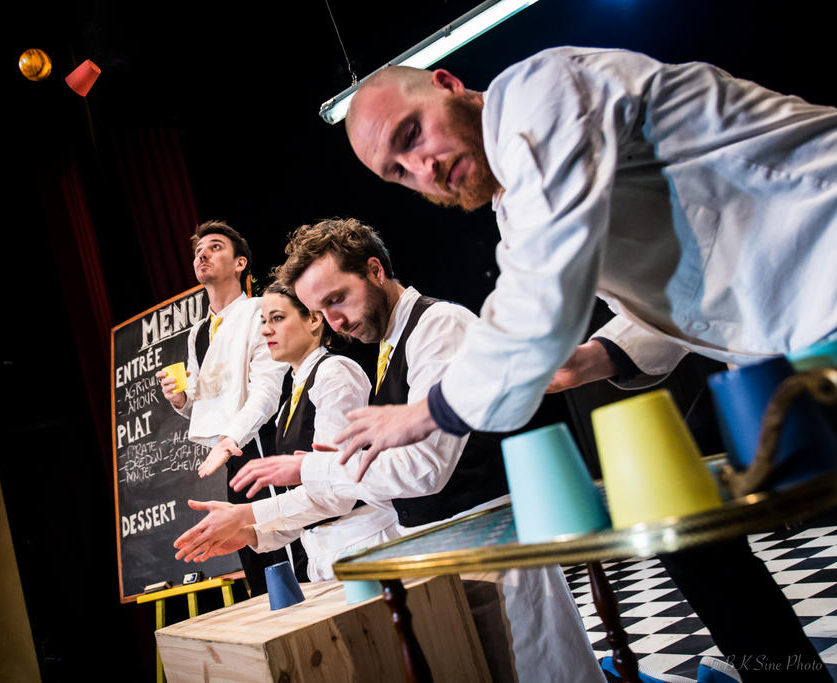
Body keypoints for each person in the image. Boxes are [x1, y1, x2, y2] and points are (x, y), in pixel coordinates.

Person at [338, 48, 835, 680]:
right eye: (399, 173)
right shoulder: (516, 202)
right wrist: (599, 356)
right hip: (793, 341)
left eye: (412, 135)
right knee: (675, 514)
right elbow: (690, 275)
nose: (422, 168)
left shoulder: (540, 91)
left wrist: (426, 412)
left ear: (448, 83)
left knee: (684, 516)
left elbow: (543, 284)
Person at [184, 218, 603, 683]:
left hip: (490, 549)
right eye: (322, 308)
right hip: (441, 553)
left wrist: (311, 472)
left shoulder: (437, 326)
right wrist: (265, 518)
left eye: (337, 299)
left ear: (375, 270)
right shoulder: (389, 347)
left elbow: (424, 469)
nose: (336, 322)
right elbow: (381, 481)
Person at [174, 281, 401, 581]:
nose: (266, 331)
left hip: (368, 551)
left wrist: (244, 514)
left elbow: (336, 492)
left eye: (277, 318)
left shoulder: (335, 374)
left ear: (314, 319)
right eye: (263, 322)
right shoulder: (289, 403)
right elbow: (310, 506)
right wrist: (250, 534)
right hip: (328, 561)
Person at [156, 220, 298, 596]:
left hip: (268, 447)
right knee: (256, 565)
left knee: (287, 556)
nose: (203, 253)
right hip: (231, 459)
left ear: (240, 263)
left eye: (215, 246)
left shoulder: (259, 311)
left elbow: (267, 391)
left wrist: (230, 438)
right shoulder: (197, 334)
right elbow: (208, 403)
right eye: (198, 250)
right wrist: (181, 400)